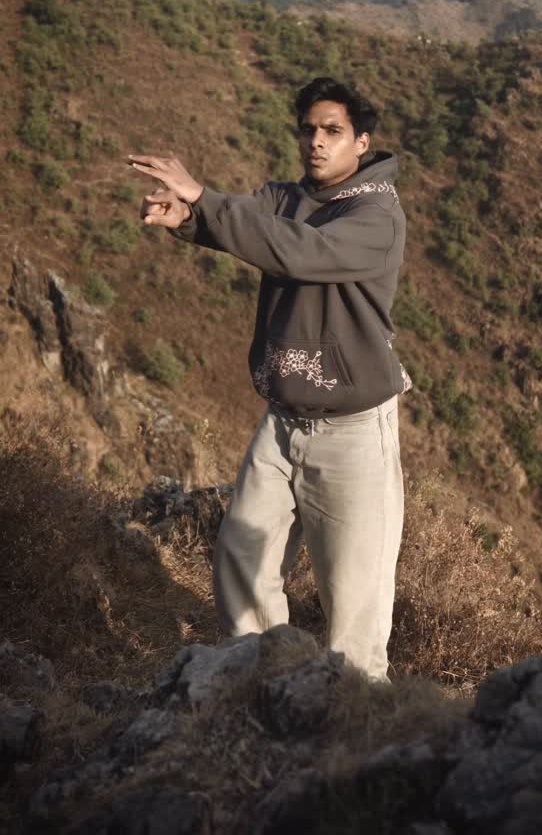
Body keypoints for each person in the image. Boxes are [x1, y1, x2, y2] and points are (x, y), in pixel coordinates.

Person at [128, 77, 411, 680]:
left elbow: (296, 250)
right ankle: (261, 682)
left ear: (361, 142)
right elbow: (246, 224)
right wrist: (188, 217)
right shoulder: (286, 197)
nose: (316, 141)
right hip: (282, 423)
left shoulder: (376, 214)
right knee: (243, 560)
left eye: (332, 131)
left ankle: (360, 715)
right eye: (308, 130)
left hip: (352, 432)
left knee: (353, 603)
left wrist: (202, 193)